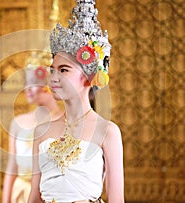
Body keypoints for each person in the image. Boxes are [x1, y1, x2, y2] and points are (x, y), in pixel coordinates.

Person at [28, 0, 124, 203]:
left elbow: (117, 199)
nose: (53, 77)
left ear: (89, 76)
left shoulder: (107, 131)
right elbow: (34, 197)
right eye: (52, 70)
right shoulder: (41, 132)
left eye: (63, 70)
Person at [2, 52, 63, 203]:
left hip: (53, 195)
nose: (27, 88)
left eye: (33, 82)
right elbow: (12, 167)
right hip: (21, 195)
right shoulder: (18, 123)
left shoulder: (66, 121)